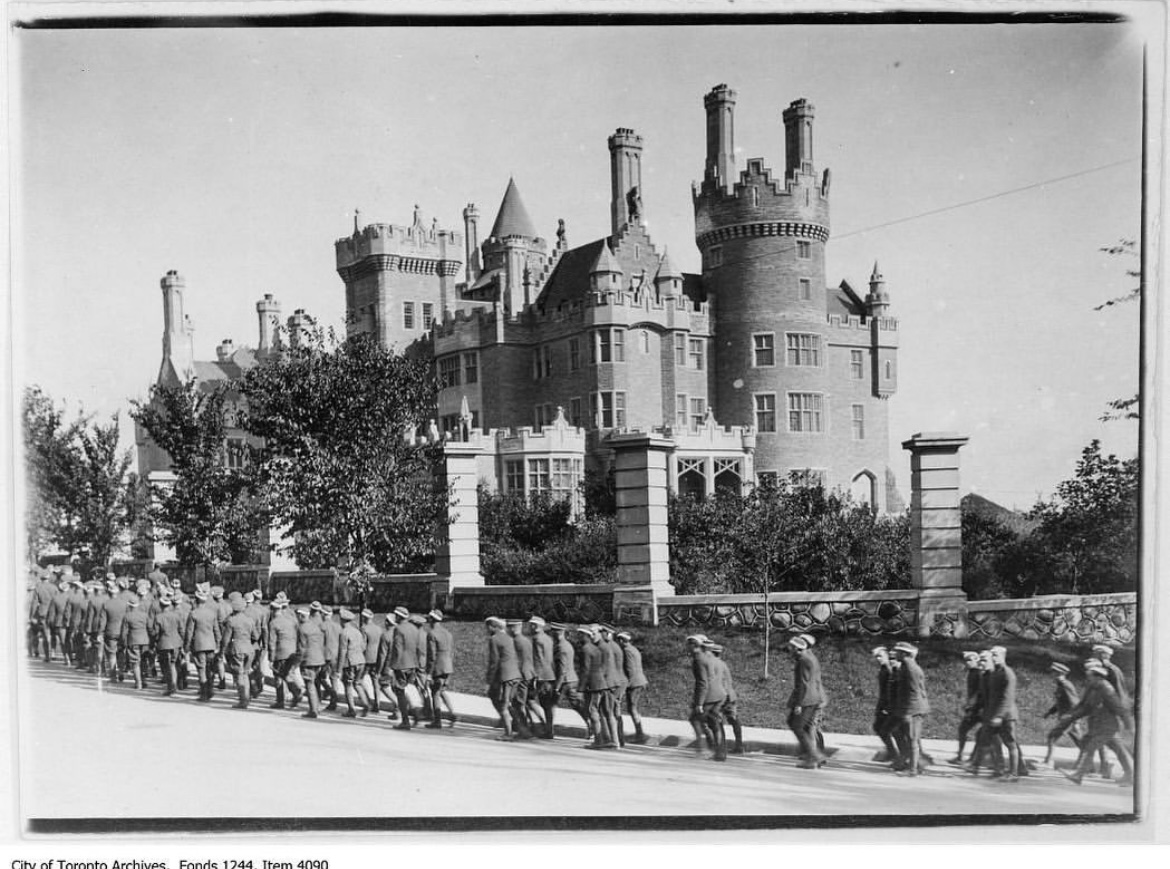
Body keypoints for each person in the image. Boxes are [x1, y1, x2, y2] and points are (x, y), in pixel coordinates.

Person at [1058, 662, 1135, 787]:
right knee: (1118, 749)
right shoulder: (1094, 688)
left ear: (1098, 676)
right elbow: (1086, 707)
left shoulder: (1106, 688)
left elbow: (1118, 707)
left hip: (1107, 726)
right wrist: (1071, 716)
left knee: (1090, 747)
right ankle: (1131, 774)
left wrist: (1129, 725)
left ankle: (1078, 775)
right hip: (1098, 725)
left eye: (1090, 675)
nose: (1087, 677)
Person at [786, 635, 826, 769]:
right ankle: (812, 756)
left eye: (791, 648)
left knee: (797, 726)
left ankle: (814, 756)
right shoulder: (810, 658)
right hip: (813, 698)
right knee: (802, 726)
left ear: (798, 649)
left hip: (807, 699)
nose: (789, 650)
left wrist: (798, 704)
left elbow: (803, 684)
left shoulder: (803, 661)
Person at [891, 641, 930, 776]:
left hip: (914, 708)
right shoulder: (906, 666)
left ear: (904, 654)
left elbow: (914, 692)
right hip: (911, 707)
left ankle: (913, 769)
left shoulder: (910, 668)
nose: (895, 654)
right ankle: (913, 764)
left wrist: (907, 712)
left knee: (912, 738)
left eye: (897, 651)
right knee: (905, 736)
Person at [986, 645, 1022, 781]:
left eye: (996, 655)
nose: (993, 658)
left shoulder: (1008, 673)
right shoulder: (996, 672)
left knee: (1010, 743)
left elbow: (1008, 698)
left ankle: (1013, 774)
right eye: (992, 655)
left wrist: (999, 716)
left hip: (1006, 715)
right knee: (995, 742)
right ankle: (999, 770)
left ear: (1003, 656)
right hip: (996, 715)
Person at [689, 634, 727, 761]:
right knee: (714, 722)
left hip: (709, 695)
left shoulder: (699, 659)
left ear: (696, 646)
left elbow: (702, 682)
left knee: (695, 719)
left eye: (690, 644)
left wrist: (699, 703)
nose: (687, 647)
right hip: (719, 694)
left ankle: (704, 749)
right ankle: (719, 752)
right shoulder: (709, 657)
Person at [485, 616, 522, 741]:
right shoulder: (508, 637)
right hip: (515, 674)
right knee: (509, 703)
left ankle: (508, 733)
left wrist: (489, 680)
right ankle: (518, 727)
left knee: (503, 705)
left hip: (505, 676)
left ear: (493, 627)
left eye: (488, 626)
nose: (487, 629)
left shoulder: (494, 639)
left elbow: (494, 662)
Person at [549, 622, 589, 737]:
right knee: (577, 705)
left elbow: (562, 670)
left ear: (559, 632)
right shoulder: (565, 645)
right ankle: (591, 725)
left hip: (565, 681)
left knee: (552, 704)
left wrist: (557, 687)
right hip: (571, 679)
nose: (552, 633)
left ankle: (549, 730)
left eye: (554, 631)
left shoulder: (562, 648)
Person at [581, 625, 617, 750]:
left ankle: (601, 741)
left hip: (603, 683)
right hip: (605, 683)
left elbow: (605, 668)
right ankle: (611, 740)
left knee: (596, 711)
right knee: (606, 712)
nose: (593, 636)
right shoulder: (602, 646)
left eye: (595, 633)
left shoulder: (602, 647)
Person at [1040, 661, 1082, 768]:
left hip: (1069, 718)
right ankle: (1087, 765)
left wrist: (1075, 720)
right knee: (1080, 742)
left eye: (1053, 672)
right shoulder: (1060, 685)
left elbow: (1075, 703)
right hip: (1068, 718)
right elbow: (1060, 702)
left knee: (1052, 737)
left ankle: (1048, 762)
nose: (1051, 675)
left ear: (1060, 673)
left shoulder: (1065, 685)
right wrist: (1049, 712)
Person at [221, 596, 260, 709]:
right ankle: (246, 697)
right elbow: (256, 636)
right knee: (246, 674)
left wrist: (223, 650)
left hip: (237, 649)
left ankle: (243, 700)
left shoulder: (231, 621)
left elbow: (226, 639)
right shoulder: (250, 620)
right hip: (249, 649)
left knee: (239, 675)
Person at [184, 588, 221, 701]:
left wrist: (186, 646)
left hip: (199, 645)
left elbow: (189, 632)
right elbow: (217, 631)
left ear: (196, 600)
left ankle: (204, 693)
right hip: (211, 644)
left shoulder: (193, 614)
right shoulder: (212, 613)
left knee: (201, 669)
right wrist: (218, 644)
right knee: (209, 669)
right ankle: (210, 690)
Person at [388, 606, 420, 730]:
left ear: (399, 616)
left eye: (396, 615)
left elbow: (398, 649)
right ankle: (412, 713)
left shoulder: (398, 629)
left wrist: (392, 666)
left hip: (401, 664)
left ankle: (406, 720)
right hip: (412, 663)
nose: (395, 617)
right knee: (401, 690)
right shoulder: (414, 628)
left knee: (399, 691)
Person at [708, 643, 743, 754]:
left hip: (720, 696)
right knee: (733, 720)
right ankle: (739, 745)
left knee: (717, 721)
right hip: (730, 695)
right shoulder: (723, 664)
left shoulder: (712, 664)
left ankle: (721, 747)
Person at [267, 594, 301, 709]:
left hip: (280, 653)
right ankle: (296, 693)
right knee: (288, 674)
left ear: (272, 610)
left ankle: (281, 700)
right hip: (292, 651)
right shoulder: (291, 620)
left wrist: (271, 659)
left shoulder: (273, 623)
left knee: (279, 676)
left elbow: (272, 643)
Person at [617, 631, 650, 745]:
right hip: (639, 681)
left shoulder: (627, 651)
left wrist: (625, 685)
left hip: (634, 683)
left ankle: (640, 733)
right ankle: (639, 732)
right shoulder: (634, 649)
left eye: (619, 640)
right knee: (632, 708)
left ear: (622, 640)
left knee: (632, 708)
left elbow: (630, 670)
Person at [950, 652, 983, 764]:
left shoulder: (978, 673)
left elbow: (978, 692)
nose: (968, 662)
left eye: (971, 660)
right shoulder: (971, 673)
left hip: (978, 708)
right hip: (974, 707)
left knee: (975, 732)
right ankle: (961, 755)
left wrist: (970, 706)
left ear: (977, 660)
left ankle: (972, 758)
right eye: (966, 660)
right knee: (964, 730)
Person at [426, 609, 456, 728]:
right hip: (448, 665)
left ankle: (437, 720)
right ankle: (452, 714)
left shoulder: (432, 634)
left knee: (435, 693)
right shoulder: (448, 633)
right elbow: (452, 651)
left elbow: (432, 656)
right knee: (442, 691)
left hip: (438, 666)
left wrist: (429, 673)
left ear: (432, 620)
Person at [337, 608, 370, 718]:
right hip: (361, 660)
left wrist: (339, 669)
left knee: (348, 685)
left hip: (350, 662)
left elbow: (343, 651)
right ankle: (366, 704)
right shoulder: (357, 632)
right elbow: (363, 646)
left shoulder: (344, 633)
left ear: (342, 620)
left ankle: (351, 709)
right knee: (358, 683)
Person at [598, 625, 628, 747]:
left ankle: (611, 740)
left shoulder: (610, 647)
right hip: (618, 681)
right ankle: (618, 739)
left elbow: (609, 667)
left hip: (615, 681)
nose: (601, 634)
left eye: (603, 632)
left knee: (606, 710)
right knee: (614, 711)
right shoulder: (613, 646)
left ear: (609, 634)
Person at [507, 619, 537, 739]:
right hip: (528, 673)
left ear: (516, 627)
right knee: (522, 703)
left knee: (518, 703)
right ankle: (528, 727)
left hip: (521, 675)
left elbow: (518, 660)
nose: (508, 629)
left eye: (510, 627)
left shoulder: (516, 641)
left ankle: (524, 730)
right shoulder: (526, 640)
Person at [871, 646, 900, 765]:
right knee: (880, 728)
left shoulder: (889, 669)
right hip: (883, 703)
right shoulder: (884, 668)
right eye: (877, 657)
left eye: (880, 656)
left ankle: (894, 754)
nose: (878, 658)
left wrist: (887, 707)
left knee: (886, 729)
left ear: (886, 655)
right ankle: (892, 752)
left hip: (888, 705)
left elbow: (891, 690)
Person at [295, 606, 326, 718]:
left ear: (301, 616)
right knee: (315, 683)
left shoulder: (302, 628)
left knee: (310, 685)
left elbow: (302, 648)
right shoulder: (315, 627)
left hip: (308, 660)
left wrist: (297, 663)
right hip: (319, 659)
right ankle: (316, 706)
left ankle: (313, 710)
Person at [528, 616, 556, 738]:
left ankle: (543, 725)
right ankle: (549, 728)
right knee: (547, 705)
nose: (531, 626)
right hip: (550, 674)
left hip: (540, 676)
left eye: (533, 625)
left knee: (529, 700)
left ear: (539, 626)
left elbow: (539, 659)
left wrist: (535, 676)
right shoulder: (548, 639)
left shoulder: (536, 639)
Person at [98, 578, 130, 683]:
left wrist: (100, 633)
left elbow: (103, 621)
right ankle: (121, 671)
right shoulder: (125, 604)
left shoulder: (106, 604)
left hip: (110, 631)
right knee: (121, 652)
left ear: (109, 592)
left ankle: (113, 676)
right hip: (122, 632)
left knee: (111, 654)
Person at [153, 594, 182, 696]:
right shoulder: (176, 615)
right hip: (176, 643)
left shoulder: (158, 617)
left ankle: (171, 687)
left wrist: (155, 641)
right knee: (173, 664)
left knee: (166, 667)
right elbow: (181, 630)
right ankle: (175, 685)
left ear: (161, 605)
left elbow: (156, 633)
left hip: (164, 644)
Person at [120, 594, 151, 689]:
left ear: (129, 605)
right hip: (145, 640)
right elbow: (150, 628)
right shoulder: (145, 615)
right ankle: (144, 680)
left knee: (135, 662)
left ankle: (138, 683)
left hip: (133, 640)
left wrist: (123, 643)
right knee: (144, 661)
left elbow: (124, 632)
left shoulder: (127, 616)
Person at [315, 601, 341, 711]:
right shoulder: (338, 626)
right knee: (334, 678)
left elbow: (319, 642)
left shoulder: (321, 626)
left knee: (318, 677)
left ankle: (325, 694)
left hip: (324, 655)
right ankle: (333, 700)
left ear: (323, 614)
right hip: (336, 655)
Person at [359, 607, 383, 715]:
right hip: (376, 657)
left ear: (364, 617)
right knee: (376, 682)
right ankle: (377, 704)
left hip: (366, 658)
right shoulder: (379, 629)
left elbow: (363, 645)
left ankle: (367, 701)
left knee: (359, 680)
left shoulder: (364, 629)